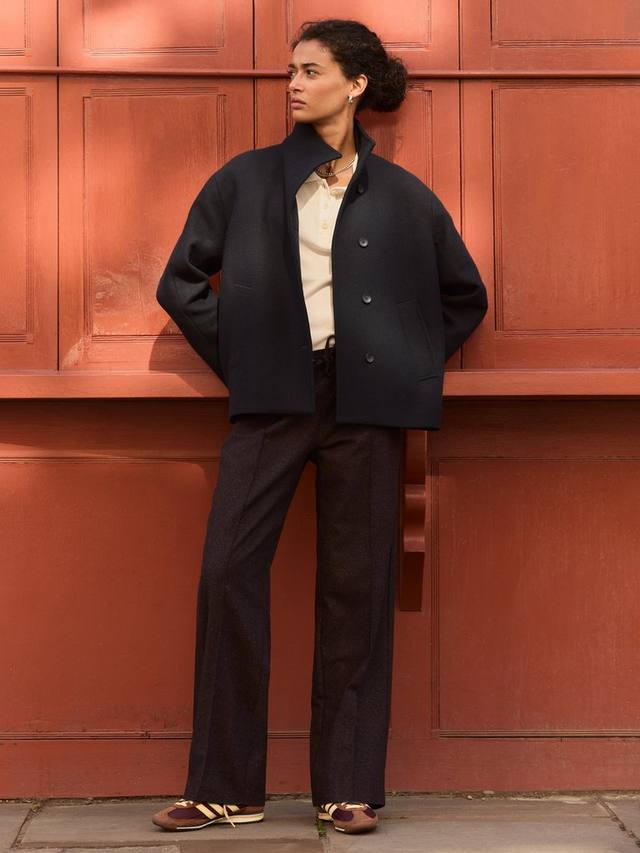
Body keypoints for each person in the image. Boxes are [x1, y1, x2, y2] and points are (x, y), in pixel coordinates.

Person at [151, 18, 487, 837]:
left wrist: (405, 362)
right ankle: (225, 786)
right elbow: (180, 281)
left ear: (357, 84)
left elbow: (464, 296)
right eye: (291, 71)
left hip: (366, 406)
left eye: (311, 70)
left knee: (357, 589)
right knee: (228, 570)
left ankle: (346, 786)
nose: (294, 84)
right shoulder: (247, 180)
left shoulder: (404, 197)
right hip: (272, 397)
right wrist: (248, 357)